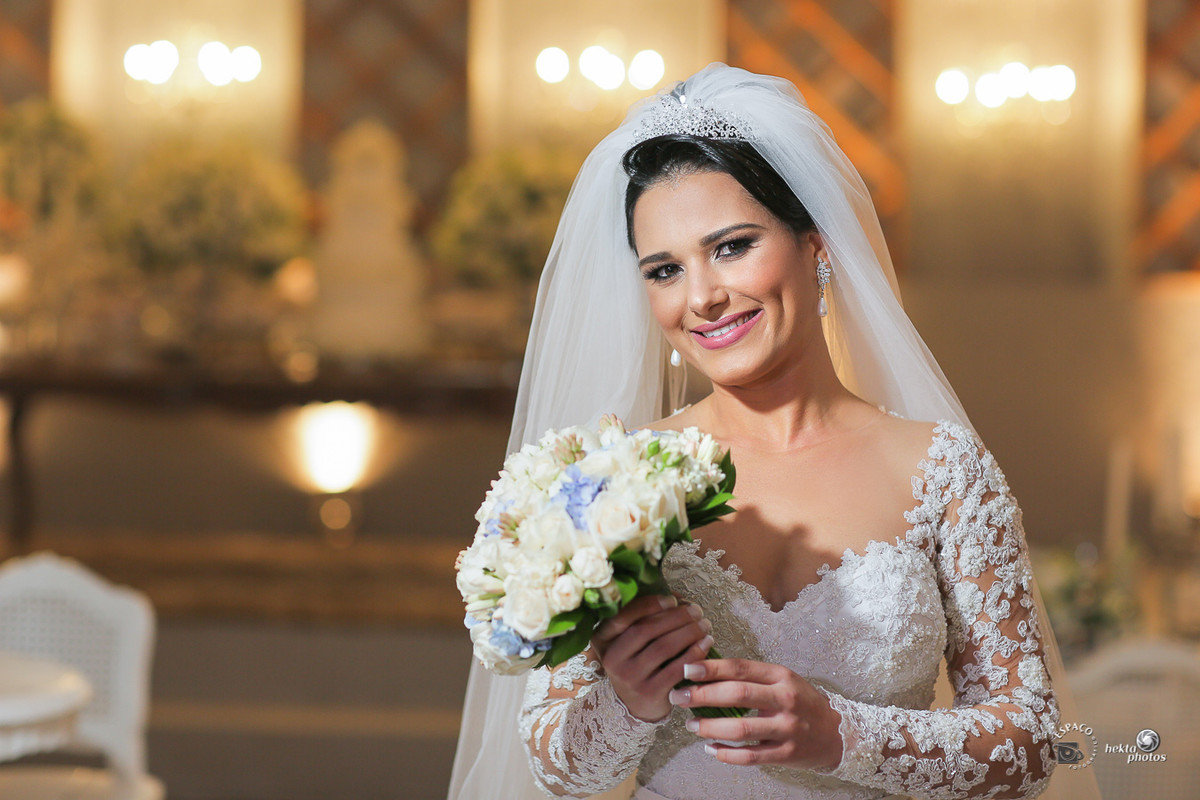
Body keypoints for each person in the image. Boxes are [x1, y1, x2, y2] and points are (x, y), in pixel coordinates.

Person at [446, 64, 1100, 800]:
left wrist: (841, 737)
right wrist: (626, 701)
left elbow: (1034, 741)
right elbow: (554, 766)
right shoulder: (613, 480)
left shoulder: (943, 469)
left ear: (816, 246)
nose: (702, 296)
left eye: (731, 246)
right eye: (664, 269)